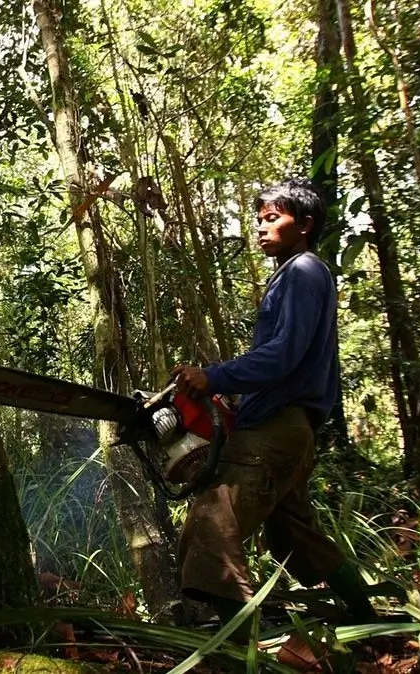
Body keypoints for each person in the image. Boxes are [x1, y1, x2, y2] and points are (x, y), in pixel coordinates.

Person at [170, 177, 375, 639]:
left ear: (304, 225)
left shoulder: (303, 271)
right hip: (289, 427)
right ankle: (370, 620)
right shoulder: (293, 273)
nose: (260, 228)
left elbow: (284, 354)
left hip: (278, 429)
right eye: (258, 220)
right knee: (294, 532)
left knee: (210, 523)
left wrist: (215, 375)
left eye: (272, 219)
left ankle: (240, 647)